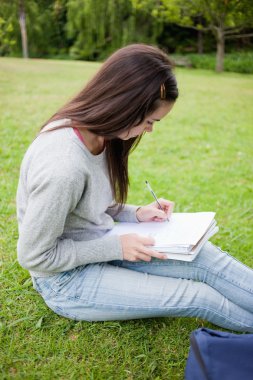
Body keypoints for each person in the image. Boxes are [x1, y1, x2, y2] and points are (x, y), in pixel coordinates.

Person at [16, 44, 253, 331]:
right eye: (150, 121)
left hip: (105, 244)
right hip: (66, 280)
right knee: (198, 296)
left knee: (205, 257)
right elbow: (35, 257)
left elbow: (89, 204)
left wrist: (136, 213)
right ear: (124, 105)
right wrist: (115, 247)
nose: (150, 130)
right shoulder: (63, 165)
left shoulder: (100, 134)